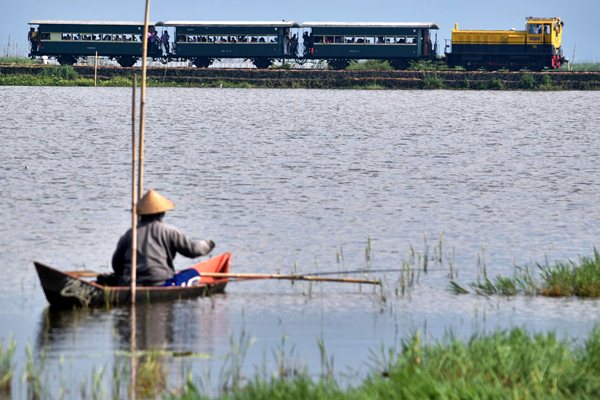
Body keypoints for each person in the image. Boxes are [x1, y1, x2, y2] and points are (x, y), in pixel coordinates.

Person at [110, 189, 215, 286]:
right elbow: (192, 250)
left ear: (141, 215)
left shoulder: (129, 234)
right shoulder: (168, 231)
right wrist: (208, 244)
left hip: (133, 283)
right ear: (162, 213)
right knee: (193, 273)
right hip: (160, 282)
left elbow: (117, 264)